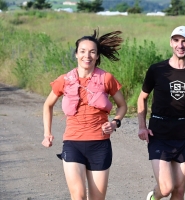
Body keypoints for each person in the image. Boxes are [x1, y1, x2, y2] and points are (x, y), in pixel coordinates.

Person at [42, 28, 127, 200]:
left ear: (97, 56)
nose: (86, 56)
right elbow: (48, 105)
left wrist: (114, 123)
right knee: (78, 196)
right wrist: (47, 133)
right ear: (76, 54)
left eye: (92, 52)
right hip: (73, 144)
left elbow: (122, 106)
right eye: (82, 51)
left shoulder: (106, 79)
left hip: (100, 145)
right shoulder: (64, 80)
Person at [137, 25, 185, 200]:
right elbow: (142, 98)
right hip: (159, 132)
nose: (180, 45)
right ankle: (152, 197)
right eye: (176, 40)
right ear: (171, 43)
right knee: (166, 187)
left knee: (179, 189)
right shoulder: (157, 70)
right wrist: (142, 126)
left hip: (183, 133)